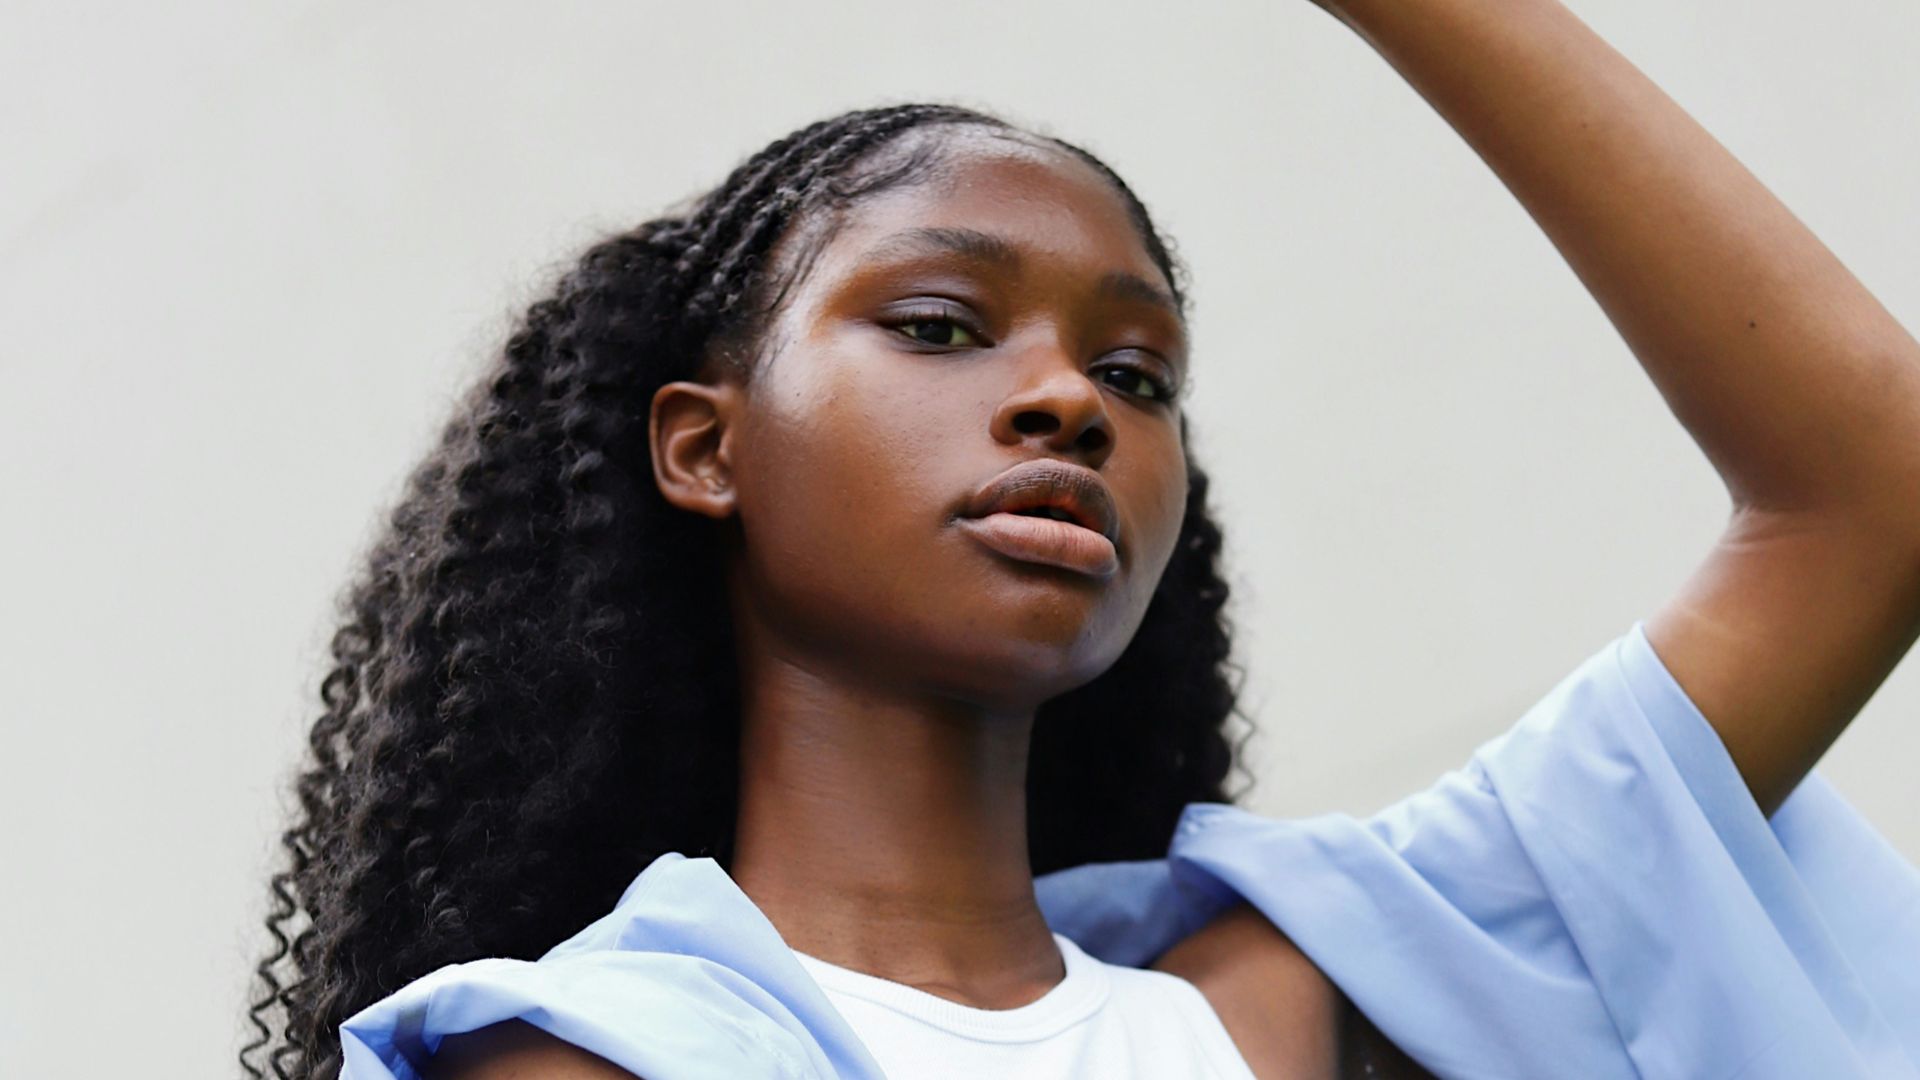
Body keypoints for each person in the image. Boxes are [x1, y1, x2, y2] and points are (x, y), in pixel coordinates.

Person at [242, 0, 1920, 1077]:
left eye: (1136, 374)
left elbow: (1872, 491)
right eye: (941, 326)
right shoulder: (588, 1057)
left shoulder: (1295, 1008)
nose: (1066, 400)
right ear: (704, 447)